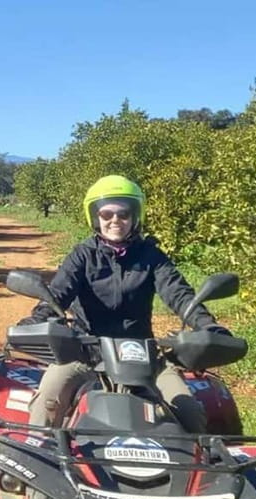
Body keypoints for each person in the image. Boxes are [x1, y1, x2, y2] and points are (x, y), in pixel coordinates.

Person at [22, 175, 231, 433]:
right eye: (107, 214)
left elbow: (179, 294)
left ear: (134, 216)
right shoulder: (82, 255)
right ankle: (39, 458)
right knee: (47, 402)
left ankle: (200, 471)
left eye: (123, 214)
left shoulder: (151, 256)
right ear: (95, 217)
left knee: (189, 411)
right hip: (86, 351)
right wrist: (35, 321)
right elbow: (58, 293)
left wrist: (207, 325)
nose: (115, 220)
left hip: (142, 353)